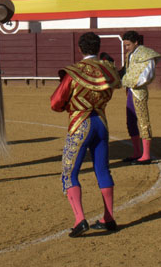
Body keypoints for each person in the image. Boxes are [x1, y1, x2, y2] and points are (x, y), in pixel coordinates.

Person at [50, 32, 121, 237]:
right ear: (98, 48)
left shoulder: (74, 73)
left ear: (80, 49)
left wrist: (70, 106)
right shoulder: (108, 70)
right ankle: (108, 217)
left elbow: (56, 102)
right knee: (102, 170)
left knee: (69, 172)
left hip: (80, 124)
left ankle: (80, 219)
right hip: (101, 122)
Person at [121, 30, 161, 164]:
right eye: (125, 45)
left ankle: (146, 155)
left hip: (139, 91)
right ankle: (137, 152)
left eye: (128, 45)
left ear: (136, 42)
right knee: (131, 121)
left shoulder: (146, 54)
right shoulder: (130, 55)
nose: (126, 48)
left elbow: (147, 75)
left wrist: (132, 82)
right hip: (130, 91)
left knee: (143, 121)